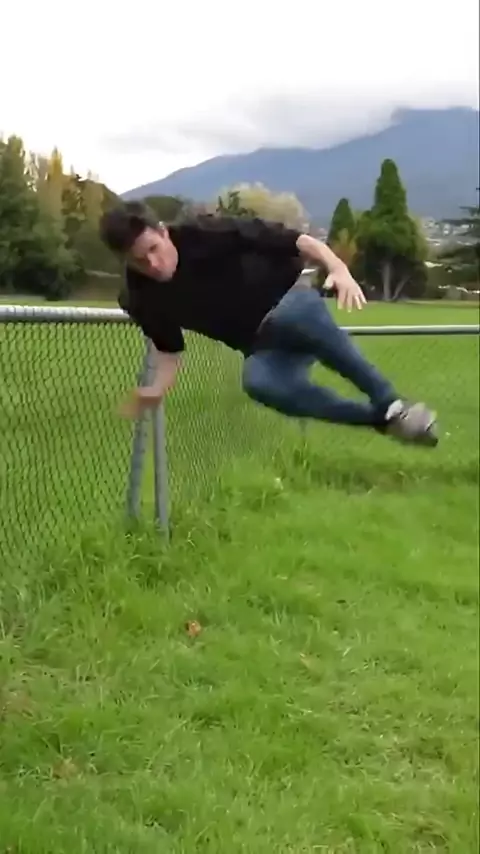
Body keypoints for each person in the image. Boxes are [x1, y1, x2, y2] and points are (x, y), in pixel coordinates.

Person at [99, 202, 438, 446]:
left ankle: (389, 401)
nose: (154, 265)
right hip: (260, 345)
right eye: (139, 262)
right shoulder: (139, 297)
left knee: (293, 317)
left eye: (154, 249)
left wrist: (338, 268)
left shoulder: (204, 233)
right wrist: (156, 390)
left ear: (163, 232)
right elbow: (168, 349)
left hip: (290, 300)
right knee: (258, 382)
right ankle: (383, 420)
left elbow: (295, 239)